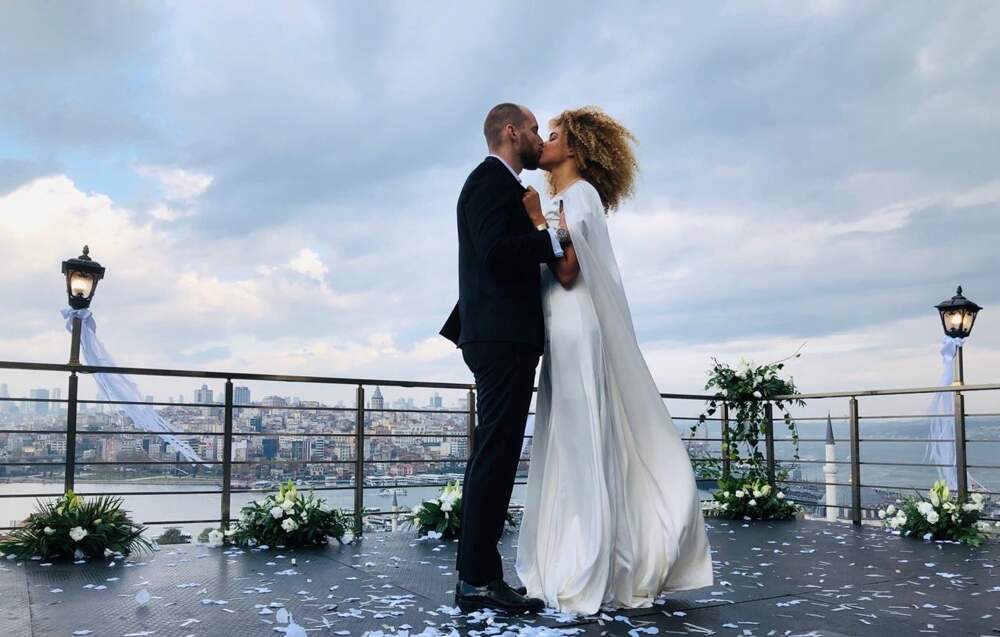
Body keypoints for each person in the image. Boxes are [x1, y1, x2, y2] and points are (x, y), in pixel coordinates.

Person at [514, 107, 714, 615]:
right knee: (573, 440)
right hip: (561, 328)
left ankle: (592, 560)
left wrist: (535, 219)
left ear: (576, 148)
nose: (545, 141)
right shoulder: (564, 197)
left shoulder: (579, 195)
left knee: (583, 440)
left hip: (576, 326)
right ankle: (576, 551)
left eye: (554, 135)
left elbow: (566, 273)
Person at [440, 103, 570, 613]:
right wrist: (549, 238)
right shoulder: (488, 182)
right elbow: (495, 253)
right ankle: (476, 580)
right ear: (512, 132)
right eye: (535, 129)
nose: (540, 138)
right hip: (500, 337)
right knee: (494, 455)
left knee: (493, 454)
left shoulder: (500, 185)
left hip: (501, 336)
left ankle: (478, 576)